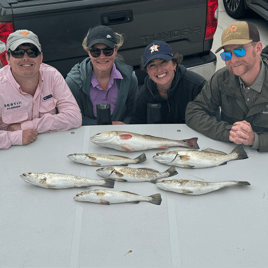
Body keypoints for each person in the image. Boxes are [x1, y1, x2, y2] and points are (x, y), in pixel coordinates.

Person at [186, 21, 268, 152]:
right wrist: (229, 132)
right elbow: (193, 111)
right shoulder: (221, 78)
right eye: (227, 54)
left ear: (258, 48)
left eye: (240, 51)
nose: (233, 60)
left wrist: (256, 139)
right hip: (231, 154)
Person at [0, 30, 82, 150]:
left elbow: (74, 117)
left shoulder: (52, 75)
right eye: (18, 53)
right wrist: (15, 137)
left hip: (51, 148)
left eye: (32, 52)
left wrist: (24, 126)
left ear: (41, 57)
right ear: (7, 58)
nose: (26, 58)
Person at [66, 25, 138, 125]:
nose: (102, 57)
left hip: (120, 135)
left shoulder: (130, 78)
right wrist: (106, 126)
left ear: (115, 50)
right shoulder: (73, 83)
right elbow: (72, 118)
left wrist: (123, 127)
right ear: (88, 52)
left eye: (107, 51)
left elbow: (133, 113)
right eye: (95, 51)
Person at [130, 40, 206, 124]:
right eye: (152, 65)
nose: (159, 69)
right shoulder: (143, 95)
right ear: (147, 72)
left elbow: (210, 120)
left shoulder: (197, 86)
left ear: (174, 64)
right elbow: (136, 125)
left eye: (163, 62)